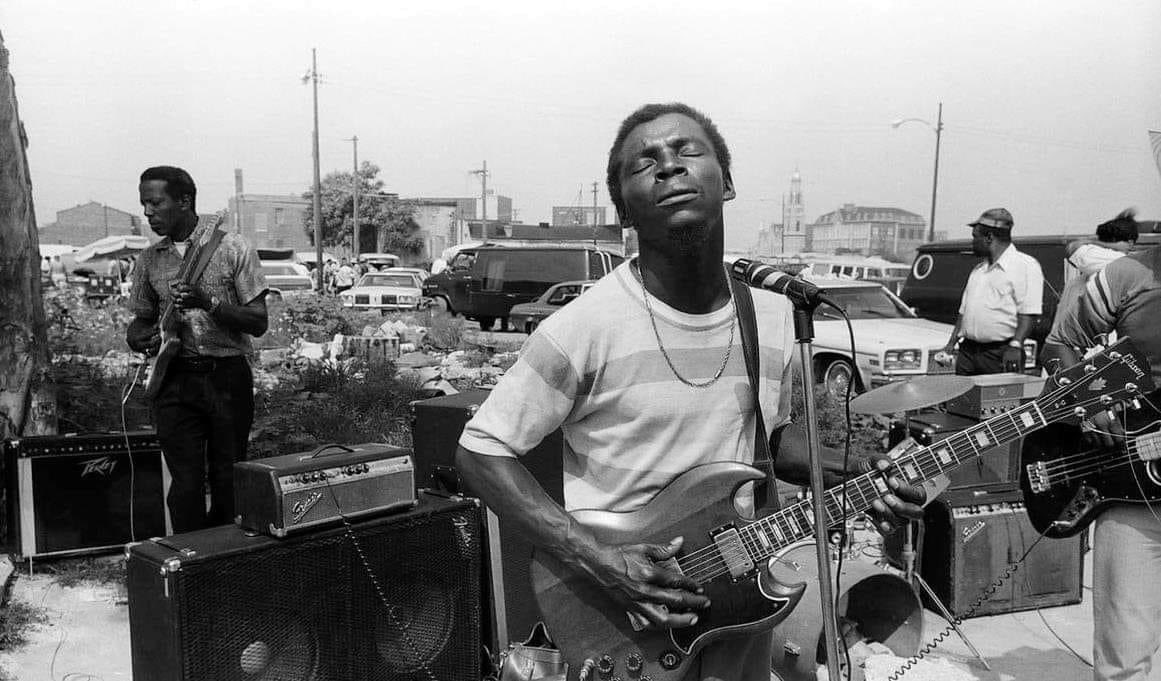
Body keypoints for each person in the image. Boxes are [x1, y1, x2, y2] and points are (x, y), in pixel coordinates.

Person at [454, 103, 925, 681]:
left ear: (726, 182)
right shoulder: (583, 326)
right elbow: (479, 451)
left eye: (687, 152)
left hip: (741, 607)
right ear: (624, 210)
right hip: (623, 616)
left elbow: (767, 446)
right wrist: (600, 562)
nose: (669, 167)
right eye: (644, 163)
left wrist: (862, 471)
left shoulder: (772, 315)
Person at [1042, 209, 1159, 681]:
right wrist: (1088, 402)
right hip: (1132, 487)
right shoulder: (1127, 274)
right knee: (1124, 659)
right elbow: (1058, 344)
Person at [125, 166, 268, 533]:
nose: (148, 212)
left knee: (228, 479)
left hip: (226, 378)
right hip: (175, 380)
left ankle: (224, 563)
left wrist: (210, 303)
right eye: (144, 204)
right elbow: (141, 320)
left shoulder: (233, 247)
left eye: (156, 203)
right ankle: (190, 564)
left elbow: (258, 321)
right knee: (184, 486)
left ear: (185, 201)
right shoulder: (148, 260)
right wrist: (137, 336)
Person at [937, 208, 1043, 375]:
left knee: (997, 400)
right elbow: (964, 312)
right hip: (968, 352)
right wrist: (951, 344)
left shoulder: (1025, 266)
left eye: (975, 237)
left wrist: (1016, 345)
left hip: (1000, 354)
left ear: (989, 237)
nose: (972, 242)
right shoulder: (979, 270)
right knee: (962, 399)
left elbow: (1029, 312)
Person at [1049, 209, 1138, 353]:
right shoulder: (1115, 261)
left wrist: (1096, 241)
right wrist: (1120, 246)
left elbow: (1075, 247)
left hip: (1088, 350)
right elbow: (1075, 248)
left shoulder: (1117, 262)